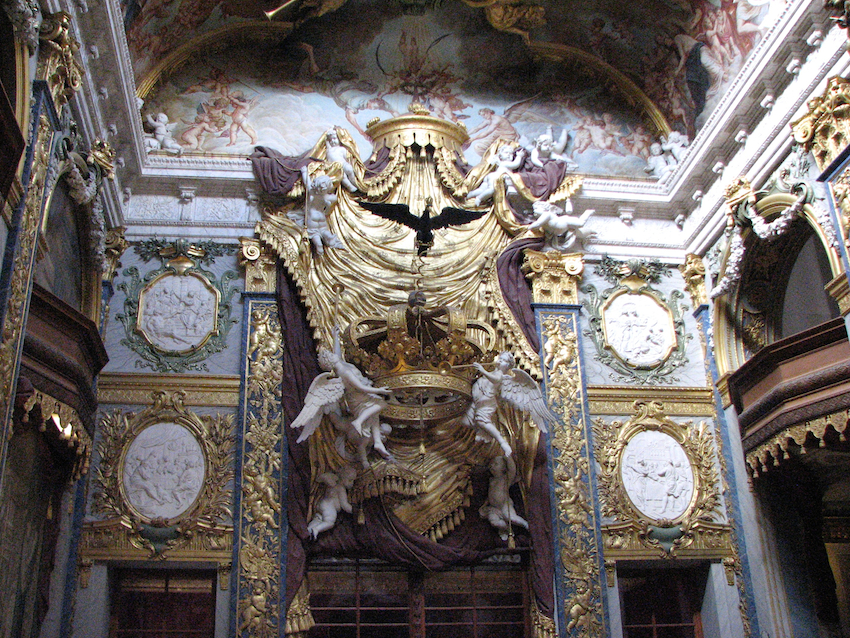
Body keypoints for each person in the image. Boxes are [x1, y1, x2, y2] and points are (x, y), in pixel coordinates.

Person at [299, 165, 344, 255]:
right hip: (313, 225)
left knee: (329, 237)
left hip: (323, 224)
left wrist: (327, 206)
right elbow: (307, 182)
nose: (322, 191)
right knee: (318, 245)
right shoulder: (312, 194)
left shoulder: (328, 197)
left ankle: (337, 251)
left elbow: (328, 209)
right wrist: (304, 172)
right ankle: (318, 259)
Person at [306, 466, 357, 539]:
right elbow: (344, 505)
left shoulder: (332, 485)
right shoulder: (340, 488)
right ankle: (316, 529)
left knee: (318, 519)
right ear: (343, 478)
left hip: (321, 504)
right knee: (329, 522)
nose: (352, 483)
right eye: (350, 480)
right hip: (329, 507)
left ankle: (309, 530)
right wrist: (354, 510)